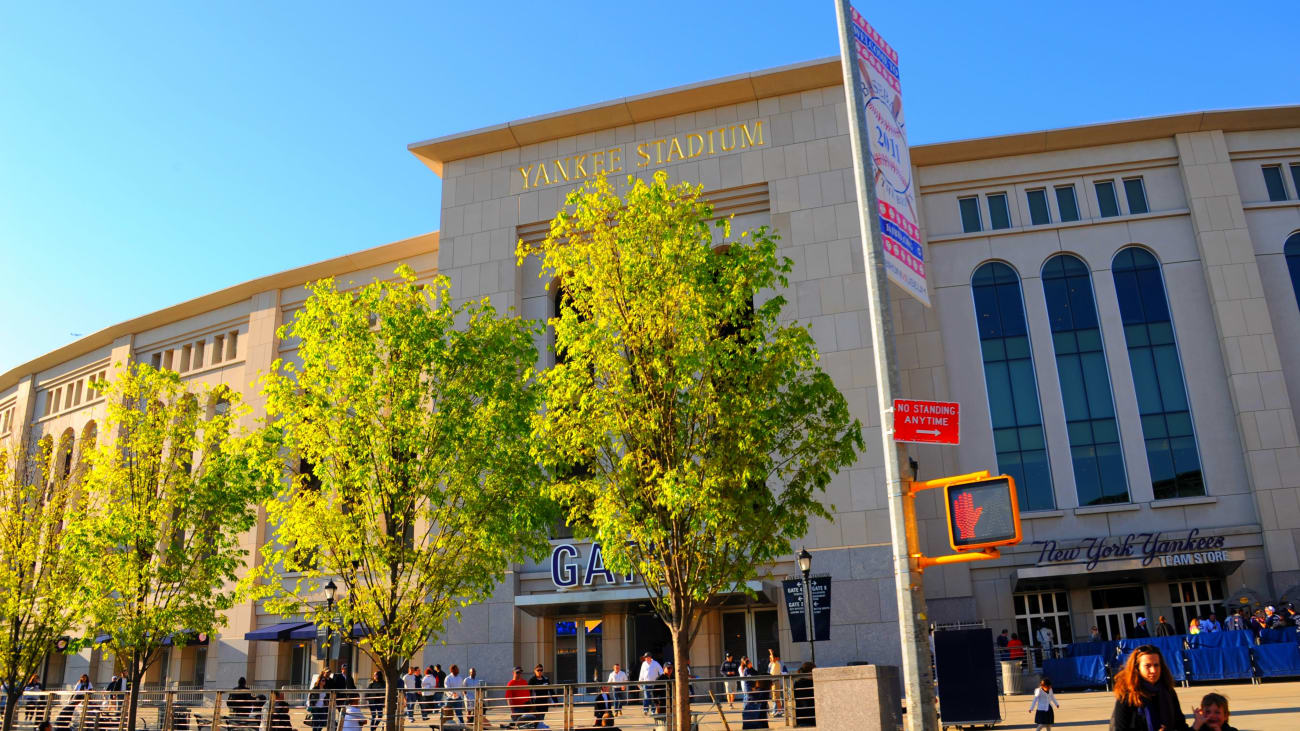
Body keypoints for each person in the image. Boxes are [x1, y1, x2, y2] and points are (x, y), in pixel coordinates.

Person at [1109, 645, 1189, 730]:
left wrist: (1197, 724)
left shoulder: (1168, 691)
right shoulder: (1127, 696)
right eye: (1148, 666)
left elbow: (1181, 726)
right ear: (1137, 668)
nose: (1153, 670)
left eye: (1156, 665)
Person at [791, 662, 815, 728]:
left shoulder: (797, 682)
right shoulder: (811, 683)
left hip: (800, 717)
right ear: (810, 672)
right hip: (811, 718)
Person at [766, 649, 784, 718]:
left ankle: (779, 711)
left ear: (777, 658)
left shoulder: (777, 663)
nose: (770, 659)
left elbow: (773, 659)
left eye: (772, 658)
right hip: (773, 682)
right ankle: (778, 710)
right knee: (774, 698)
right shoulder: (772, 664)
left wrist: (771, 652)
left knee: (777, 698)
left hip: (776, 682)